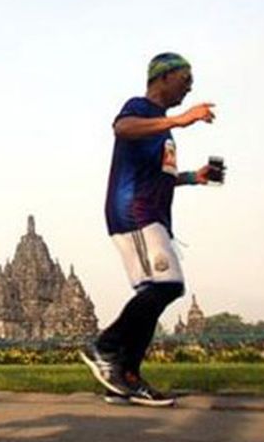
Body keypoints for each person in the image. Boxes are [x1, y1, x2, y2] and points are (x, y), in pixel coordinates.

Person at [80, 52, 221, 407]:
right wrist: (182, 119)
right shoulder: (140, 108)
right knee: (168, 285)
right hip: (135, 212)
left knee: (154, 295)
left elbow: (162, 178)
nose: (190, 85)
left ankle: (124, 378)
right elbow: (121, 128)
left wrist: (195, 177)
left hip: (149, 213)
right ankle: (106, 347)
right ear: (163, 76)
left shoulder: (162, 127)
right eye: (185, 77)